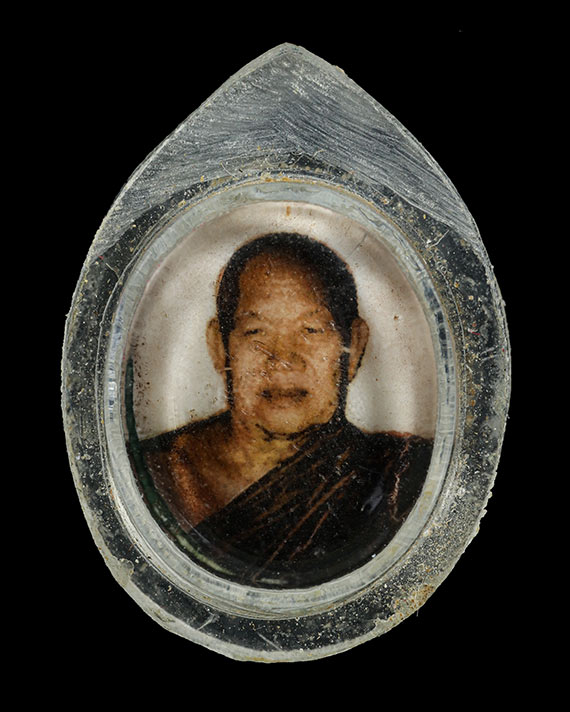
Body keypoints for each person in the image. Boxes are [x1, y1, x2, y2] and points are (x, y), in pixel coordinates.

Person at [132, 232, 433, 587]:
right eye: (256, 331)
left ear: (353, 346)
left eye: (312, 329)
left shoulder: (399, 477)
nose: (283, 359)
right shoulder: (157, 476)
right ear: (220, 347)